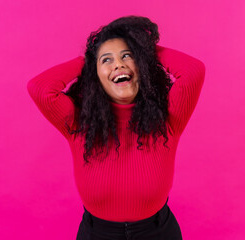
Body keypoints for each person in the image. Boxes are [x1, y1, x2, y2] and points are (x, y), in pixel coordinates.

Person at [27, 16, 205, 240]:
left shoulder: (168, 119)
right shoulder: (78, 122)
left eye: (127, 55)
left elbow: (193, 72)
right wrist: (89, 59)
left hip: (158, 233)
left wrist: (144, 49)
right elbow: (40, 88)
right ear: (96, 75)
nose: (118, 64)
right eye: (106, 60)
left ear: (141, 66)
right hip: (97, 234)